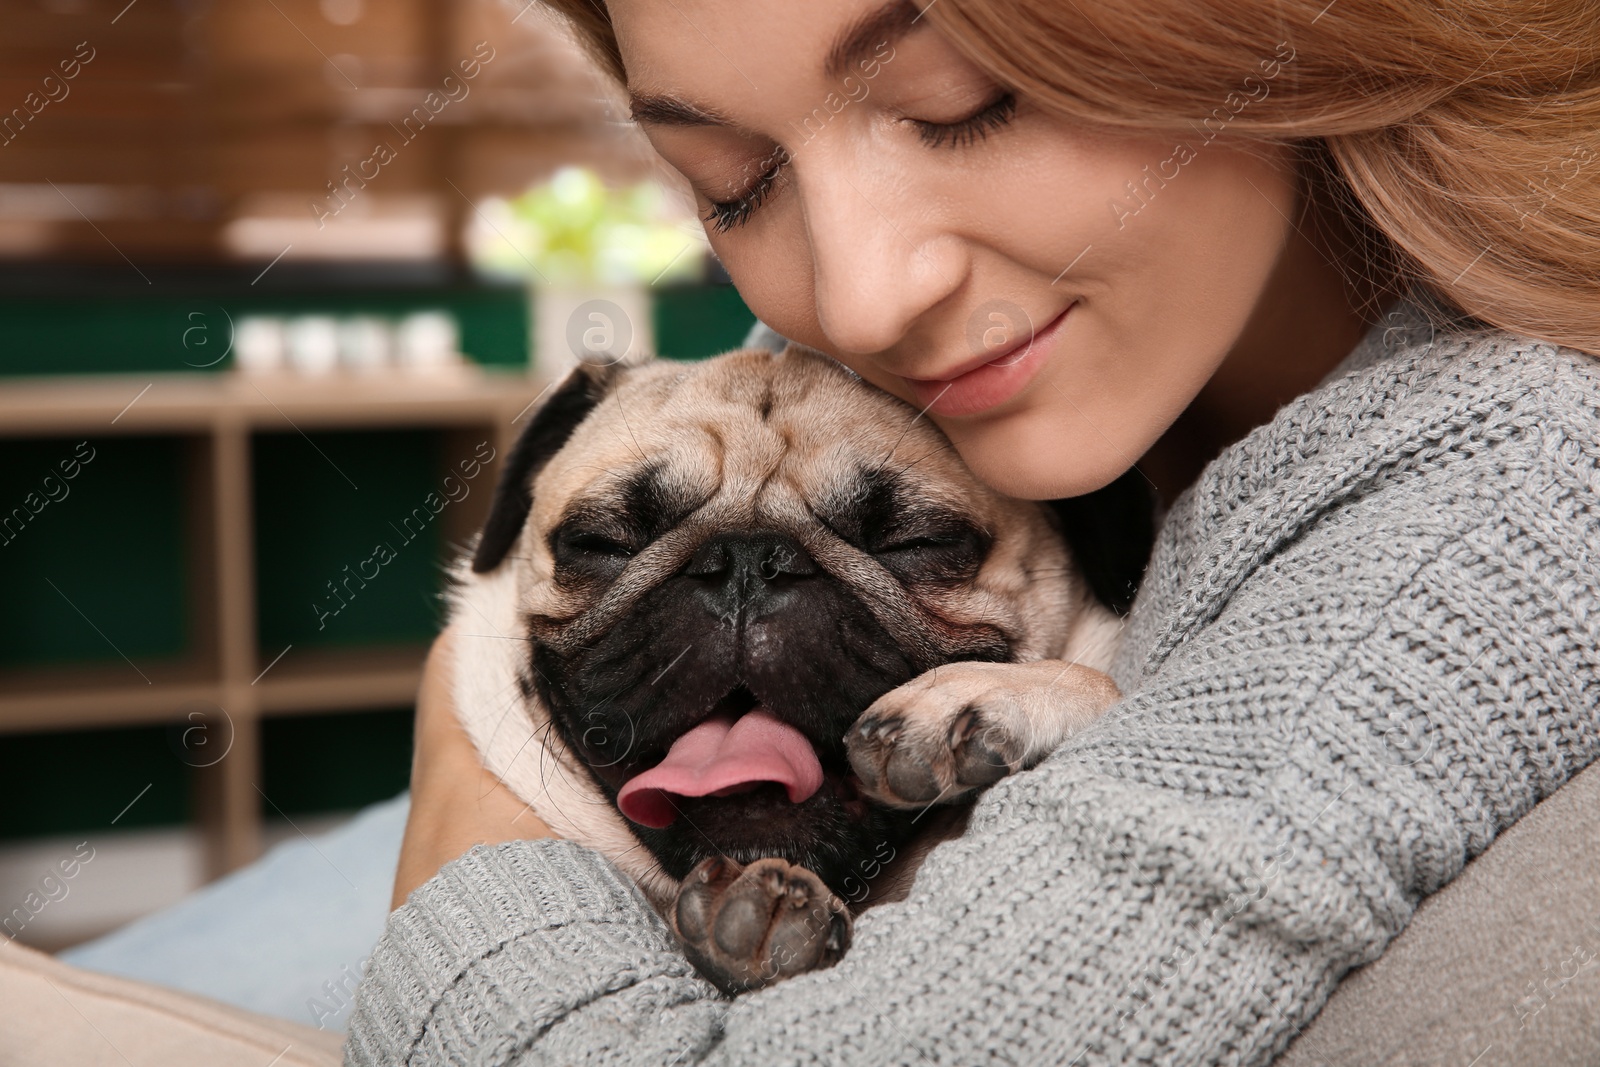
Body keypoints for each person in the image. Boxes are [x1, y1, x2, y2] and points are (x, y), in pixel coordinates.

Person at [347, 1, 1600, 1063]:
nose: (857, 298)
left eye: (962, 102)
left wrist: (469, 837)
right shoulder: (896, 370)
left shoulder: (1504, 506)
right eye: (735, 184)